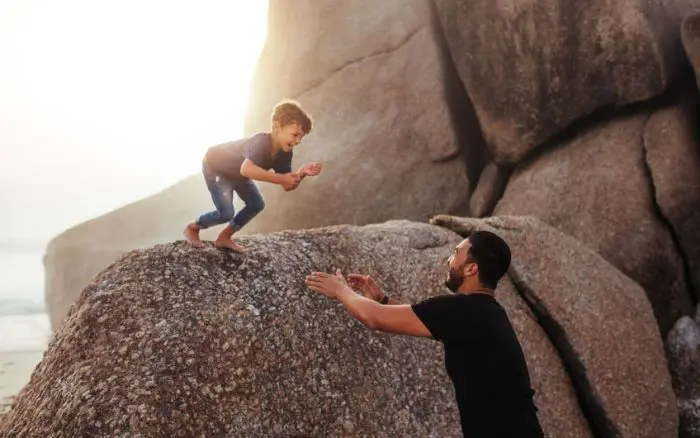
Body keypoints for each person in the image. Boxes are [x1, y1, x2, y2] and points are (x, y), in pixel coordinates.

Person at [305, 230, 544, 437]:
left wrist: (340, 290)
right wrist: (382, 300)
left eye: (455, 254)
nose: (449, 260)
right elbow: (425, 318)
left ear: (471, 268)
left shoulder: (464, 310)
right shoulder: (486, 312)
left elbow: (373, 317)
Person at [184, 100, 322, 252]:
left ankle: (224, 237)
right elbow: (246, 169)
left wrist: (301, 173)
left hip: (238, 174)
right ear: (277, 127)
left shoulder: (284, 153)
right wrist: (282, 178)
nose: (297, 141)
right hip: (216, 166)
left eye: (300, 138)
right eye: (295, 135)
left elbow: (287, 185)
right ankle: (193, 227)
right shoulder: (261, 142)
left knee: (256, 204)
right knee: (226, 213)